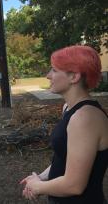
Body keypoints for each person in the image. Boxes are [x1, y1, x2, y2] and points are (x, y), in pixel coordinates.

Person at [19, 45, 108, 204]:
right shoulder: (69, 109)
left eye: (54, 70)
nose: (48, 75)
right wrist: (41, 177)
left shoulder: (85, 118)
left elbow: (74, 185)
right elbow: (63, 158)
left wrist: (37, 187)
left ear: (74, 77)